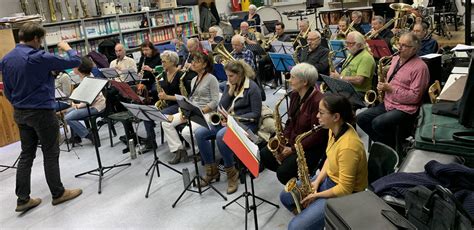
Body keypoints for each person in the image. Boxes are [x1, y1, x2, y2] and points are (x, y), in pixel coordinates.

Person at [1, 22, 82, 213]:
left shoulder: (6, 58)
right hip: (41, 112)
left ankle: (22, 200)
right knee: (50, 151)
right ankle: (58, 193)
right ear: (37, 38)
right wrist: (68, 49)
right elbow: (75, 62)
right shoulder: (39, 56)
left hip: (20, 112)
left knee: (26, 154)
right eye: (40, 40)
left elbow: (8, 90)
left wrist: (18, 103)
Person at [280, 94, 368, 230]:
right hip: (329, 180)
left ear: (336, 117)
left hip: (345, 195)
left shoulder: (349, 146)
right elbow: (330, 157)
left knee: (294, 227)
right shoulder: (333, 130)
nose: (317, 116)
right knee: (285, 196)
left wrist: (316, 195)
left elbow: (345, 189)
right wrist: (317, 181)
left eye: (321, 113)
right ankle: (313, 221)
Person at [194, 60, 262, 194]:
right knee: (200, 132)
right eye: (227, 76)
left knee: (221, 135)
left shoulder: (252, 88)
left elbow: (256, 113)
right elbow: (221, 107)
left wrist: (232, 119)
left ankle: (232, 173)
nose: (228, 79)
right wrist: (230, 91)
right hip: (228, 121)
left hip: (246, 123)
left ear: (240, 74)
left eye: (231, 76)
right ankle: (212, 171)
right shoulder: (229, 85)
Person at [357, 32, 430, 148]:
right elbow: (393, 79)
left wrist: (391, 89)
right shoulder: (395, 59)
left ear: (414, 49)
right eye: (399, 44)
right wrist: (383, 83)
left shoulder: (420, 68)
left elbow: (415, 97)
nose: (399, 48)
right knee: (361, 118)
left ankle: (393, 146)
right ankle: (389, 145)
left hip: (405, 108)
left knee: (378, 123)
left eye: (405, 45)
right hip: (388, 103)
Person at [260, 63, 328, 185]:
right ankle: (297, 181)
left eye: (293, 77)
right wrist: (283, 139)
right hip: (293, 141)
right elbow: (290, 121)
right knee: (265, 154)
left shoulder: (318, 101)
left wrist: (291, 149)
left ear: (304, 82)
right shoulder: (295, 95)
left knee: (283, 172)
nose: (289, 80)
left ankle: (301, 186)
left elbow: (317, 136)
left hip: (310, 147)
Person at [161, 51, 219, 164]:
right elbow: (191, 100)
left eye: (197, 62)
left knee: (186, 132)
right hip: (194, 111)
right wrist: (186, 112)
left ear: (205, 65)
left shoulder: (212, 79)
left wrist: (197, 112)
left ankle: (200, 150)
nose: (193, 63)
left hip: (207, 113)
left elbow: (215, 102)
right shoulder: (194, 80)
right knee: (165, 122)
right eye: (192, 61)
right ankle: (178, 150)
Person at [143, 51, 182, 153]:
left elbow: (184, 98)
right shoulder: (164, 74)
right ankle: (151, 143)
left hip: (178, 104)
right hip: (168, 104)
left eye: (164, 62)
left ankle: (177, 149)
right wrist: (160, 94)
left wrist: (167, 97)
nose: (162, 64)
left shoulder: (180, 75)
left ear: (173, 62)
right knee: (146, 114)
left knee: (160, 115)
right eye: (162, 61)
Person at [65, 57, 106, 145]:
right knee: (67, 112)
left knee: (67, 117)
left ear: (79, 68)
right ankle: (76, 136)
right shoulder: (86, 76)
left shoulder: (89, 80)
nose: (72, 68)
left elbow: (90, 99)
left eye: (74, 66)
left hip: (96, 106)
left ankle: (88, 135)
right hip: (90, 104)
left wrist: (78, 106)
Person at [259, 22, 292, 88]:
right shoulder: (275, 36)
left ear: (283, 29)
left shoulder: (286, 37)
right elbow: (268, 48)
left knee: (276, 61)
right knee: (260, 61)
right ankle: (262, 80)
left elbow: (286, 50)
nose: (277, 31)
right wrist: (269, 45)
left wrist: (276, 42)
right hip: (271, 54)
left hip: (280, 56)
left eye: (279, 29)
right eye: (276, 29)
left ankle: (275, 81)